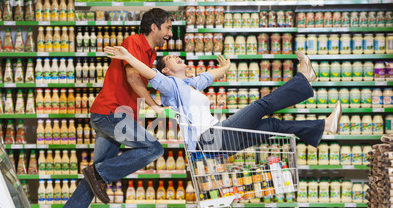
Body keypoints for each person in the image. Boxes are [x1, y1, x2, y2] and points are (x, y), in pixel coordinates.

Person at [46, 8, 173, 208]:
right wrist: (155, 107)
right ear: (154, 27)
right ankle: (99, 174)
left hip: (113, 115)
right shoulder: (133, 42)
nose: (170, 32)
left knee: (94, 177)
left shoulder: (151, 51)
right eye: (167, 27)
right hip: (112, 113)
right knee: (154, 148)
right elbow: (133, 78)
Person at [103, 46, 342, 154]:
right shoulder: (170, 87)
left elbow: (209, 76)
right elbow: (149, 73)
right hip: (207, 140)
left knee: (271, 126)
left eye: (177, 55)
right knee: (260, 105)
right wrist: (127, 56)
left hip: (215, 137)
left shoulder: (189, 84)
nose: (177, 57)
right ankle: (304, 78)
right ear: (165, 71)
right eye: (172, 58)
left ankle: (324, 127)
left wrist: (225, 68)